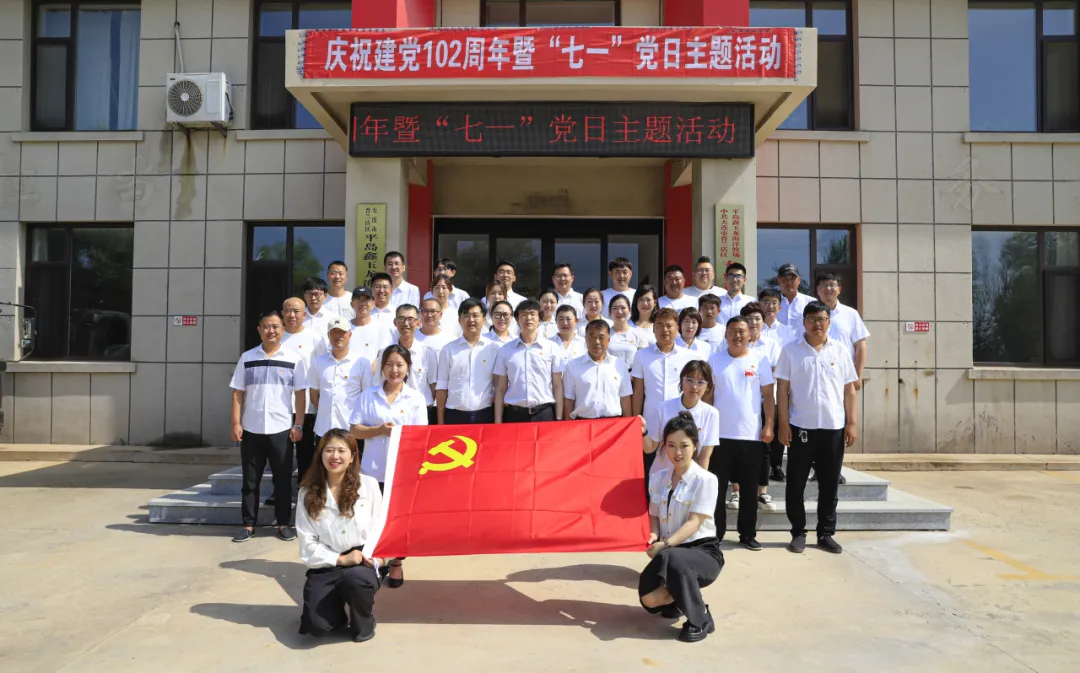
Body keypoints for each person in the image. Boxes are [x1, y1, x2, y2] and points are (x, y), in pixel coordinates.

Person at [776, 301, 859, 555]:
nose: (816, 324)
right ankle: (798, 532)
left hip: (833, 428)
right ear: (804, 322)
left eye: (821, 319)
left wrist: (852, 423)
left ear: (829, 322)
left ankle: (825, 533)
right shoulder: (791, 350)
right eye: (811, 319)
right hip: (801, 427)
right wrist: (783, 424)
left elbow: (849, 389)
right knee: (795, 484)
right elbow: (782, 389)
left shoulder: (840, 350)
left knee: (829, 485)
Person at [639, 413, 723, 643]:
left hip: (702, 552)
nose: (677, 452)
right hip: (669, 552)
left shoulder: (706, 480)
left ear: (695, 445)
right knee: (649, 599)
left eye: (684, 445)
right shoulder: (657, 477)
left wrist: (665, 544)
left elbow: (694, 522)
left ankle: (701, 618)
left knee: (674, 557)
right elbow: (653, 514)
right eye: (671, 445)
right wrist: (653, 534)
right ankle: (678, 599)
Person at [349, 345, 428, 586]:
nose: (394, 370)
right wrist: (379, 430)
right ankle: (376, 560)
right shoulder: (368, 395)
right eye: (389, 364)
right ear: (382, 367)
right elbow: (354, 429)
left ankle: (396, 564)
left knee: (399, 522)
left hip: (402, 472)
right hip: (373, 471)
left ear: (408, 368)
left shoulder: (415, 398)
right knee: (372, 519)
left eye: (400, 365)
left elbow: (421, 437)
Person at [295, 430, 384, 643]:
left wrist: (380, 559)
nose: (335, 456)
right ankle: (335, 610)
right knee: (317, 626)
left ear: (352, 456)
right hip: (327, 562)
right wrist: (341, 559)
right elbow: (307, 542)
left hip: (362, 562)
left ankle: (363, 618)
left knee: (356, 580)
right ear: (320, 455)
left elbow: (382, 528)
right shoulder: (307, 493)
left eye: (342, 451)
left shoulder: (369, 485)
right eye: (329, 450)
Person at [229, 311, 307, 543]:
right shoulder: (247, 357)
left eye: (275, 326)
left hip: (281, 429)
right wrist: (236, 423)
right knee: (250, 480)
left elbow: (300, 394)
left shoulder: (294, 358)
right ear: (259, 330)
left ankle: (283, 524)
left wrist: (299, 424)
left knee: (282, 480)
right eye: (266, 326)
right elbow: (238, 393)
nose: (271, 331)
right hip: (251, 428)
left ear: (282, 330)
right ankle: (248, 525)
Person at [705, 316, 776, 551]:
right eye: (733, 331)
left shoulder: (760, 360)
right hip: (719, 436)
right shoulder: (714, 360)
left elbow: (768, 396)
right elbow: (708, 396)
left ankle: (747, 534)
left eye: (742, 331)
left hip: (751, 436)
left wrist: (769, 425)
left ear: (750, 334)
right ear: (725, 335)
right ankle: (715, 534)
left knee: (748, 489)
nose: (737, 335)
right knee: (717, 490)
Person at [642, 360, 719, 479]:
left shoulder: (712, 414)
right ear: (682, 381)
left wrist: (698, 483)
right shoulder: (663, 408)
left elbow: (704, 457)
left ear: (708, 387)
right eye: (689, 380)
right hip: (661, 477)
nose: (694, 386)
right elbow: (649, 448)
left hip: (691, 480)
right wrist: (643, 432)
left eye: (700, 382)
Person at [281, 298, 328, 485]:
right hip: (280, 406)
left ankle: (304, 489)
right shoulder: (277, 337)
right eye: (288, 311)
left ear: (304, 314)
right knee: (281, 453)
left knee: (305, 452)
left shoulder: (315, 339)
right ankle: (280, 491)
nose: (292, 315)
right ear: (282, 313)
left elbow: (322, 371)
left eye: (296, 311)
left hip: (307, 406)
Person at [494, 299, 565, 423]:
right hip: (514, 415)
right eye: (524, 314)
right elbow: (500, 389)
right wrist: (498, 421)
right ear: (517, 319)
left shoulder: (552, 348)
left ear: (539, 319)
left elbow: (558, 386)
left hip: (544, 413)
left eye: (533, 314)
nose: (528, 318)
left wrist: (559, 418)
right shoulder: (506, 350)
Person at [308, 318, 372, 450]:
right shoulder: (318, 362)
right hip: (324, 428)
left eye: (342, 332)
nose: (338, 336)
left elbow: (367, 396)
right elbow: (314, 395)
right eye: (334, 332)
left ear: (350, 335)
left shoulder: (361, 362)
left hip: (351, 429)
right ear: (328, 336)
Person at [436, 299, 501, 425]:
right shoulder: (448, 350)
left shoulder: (494, 349)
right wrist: (440, 421)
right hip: (455, 415)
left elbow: (499, 385)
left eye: (475, 315)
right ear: (459, 320)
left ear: (484, 320)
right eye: (466, 315)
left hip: (485, 414)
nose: (471, 320)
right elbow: (442, 386)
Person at [631, 307, 693, 440]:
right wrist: (636, 420)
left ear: (677, 328)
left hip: (679, 421)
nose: (664, 330)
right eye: (659, 325)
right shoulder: (641, 355)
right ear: (653, 329)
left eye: (669, 325)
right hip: (650, 422)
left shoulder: (689, 356)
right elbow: (638, 392)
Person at [376, 305, 438, 426]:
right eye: (401, 319)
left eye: (410, 319)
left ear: (418, 323)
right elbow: (379, 381)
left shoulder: (427, 352)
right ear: (395, 322)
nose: (406, 323)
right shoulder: (385, 352)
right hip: (392, 410)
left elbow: (433, 386)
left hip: (420, 410)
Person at [562, 320, 632, 420]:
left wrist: (627, 425)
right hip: (583, 423)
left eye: (601, 337)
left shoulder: (619, 365)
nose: (597, 342)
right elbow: (569, 399)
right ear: (586, 339)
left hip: (613, 423)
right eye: (592, 337)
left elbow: (625, 398)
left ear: (608, 340)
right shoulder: (573, 365)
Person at [816, 272, 869, 389]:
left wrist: (858, 375)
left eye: (832, 285)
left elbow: (861, 345)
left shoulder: (851, 314)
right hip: (817, 374)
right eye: (824, 285)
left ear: (839, 289)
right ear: (818, 291)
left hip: (844, 375)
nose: (828, 289)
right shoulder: (810, 315)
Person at [347, 286, 394, 366]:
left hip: (372, 372)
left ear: (373, 303)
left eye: (366, 300)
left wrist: (369, 371)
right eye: (358, 300)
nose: (362, 303)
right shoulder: (345, 327)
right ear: (352, 304)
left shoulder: (382, 328)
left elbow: (382, 355)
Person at [608, 294, 647, 373]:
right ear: (610, 312)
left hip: (633, 376)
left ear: (629, 310)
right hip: (610, 375)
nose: (619, 312)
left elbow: (644, 359)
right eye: (615, 308)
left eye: (623, 308)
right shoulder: (605, 334)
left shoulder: (638, 333)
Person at [776, 263, 814, 328]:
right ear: (778, 280)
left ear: (799, 280)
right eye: (785, 279)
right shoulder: (769, 304)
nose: (789, 282)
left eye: (792, 279)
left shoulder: (810, 302)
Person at [429, 274, 463, 339]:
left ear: (450, 291)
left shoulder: (456, 315)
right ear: (432, 291)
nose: (440, 291)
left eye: (444, 288)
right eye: (437, 287)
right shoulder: (425, 314)